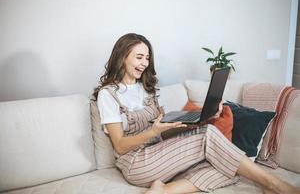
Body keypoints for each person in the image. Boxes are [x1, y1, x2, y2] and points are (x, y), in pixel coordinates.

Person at [93, 33, 300, 194]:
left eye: (147, 58)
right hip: (136, 163)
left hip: (160, 153)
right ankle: (276, 185)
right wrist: (152, 132)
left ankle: (164, 190)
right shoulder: (108, 94)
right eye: (139, 57)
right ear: (122, 58)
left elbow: (162, 133)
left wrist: (200, 118)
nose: (145, 63)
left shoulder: (148, 89)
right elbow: (119, 145)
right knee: (212, 139)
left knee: (226, 163)